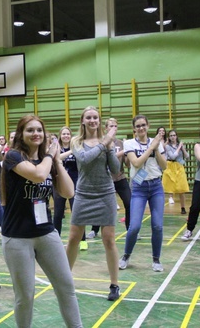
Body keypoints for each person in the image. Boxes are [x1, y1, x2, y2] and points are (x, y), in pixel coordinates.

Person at [1, 115, 83, 328]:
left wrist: (56, 160)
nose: (35, 133)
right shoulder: (13, 157)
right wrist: (49, 155)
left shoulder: (48, 162)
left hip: (46, 233)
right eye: (30, 130)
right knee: (25, 296)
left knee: (66, 287)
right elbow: (37, 175)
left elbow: (68, 191)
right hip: (17, 237)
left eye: (39, 130)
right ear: (21, 134)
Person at [65, 107, 121, 301]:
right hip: (83, 194)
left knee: (109, 239)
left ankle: (114, 285)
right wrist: (105, 142)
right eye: (88, 117)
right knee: (74, 238)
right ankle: (64, 279)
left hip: (105, 193)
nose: (92, 120)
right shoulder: (76, 142)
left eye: (95, 117)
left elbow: (115, 169)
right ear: (83, 121)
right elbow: (84, 160)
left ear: (99, 120)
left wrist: (110, 147)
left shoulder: (106, 142)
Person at [119, 114, 167, 272]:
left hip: (156, 186)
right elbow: (136, 163)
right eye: (138, 126)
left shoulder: (157, 143)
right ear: (134, 128)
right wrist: (151, 148)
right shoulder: (129, 143)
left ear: (148, 125)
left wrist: (156, 148)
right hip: (139, 186)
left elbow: (164, 166)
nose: (141, 128)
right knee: (134, 226)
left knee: (157, 226)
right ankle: (126, 256)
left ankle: (156, 259)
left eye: (143, 125)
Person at [52, 126, 78, 236]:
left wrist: (73, 149)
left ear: (71, 136)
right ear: (60, 136)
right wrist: (71, 151)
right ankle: (56, 238)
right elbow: (57, 158)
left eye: (68, 134)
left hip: (74, 183)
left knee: (76, 213)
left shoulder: (77, 147)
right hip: (59, 183)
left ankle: (82, 240)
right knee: (58, 213)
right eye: (64, 134)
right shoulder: (56, 148)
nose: (66, 136)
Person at [162, 130, 190, 215]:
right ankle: (163, 205)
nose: (172, 137)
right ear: (169, 137)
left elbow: (187, 157)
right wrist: (179, 148)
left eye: (174, 135)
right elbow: (173, 156)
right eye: (171, 136)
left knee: (181, 189)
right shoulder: (167, 146)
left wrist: (183, 149)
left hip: (179, 166)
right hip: (170, 166)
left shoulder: (180, 146)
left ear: (176, 136)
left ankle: (183, 207)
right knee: (167, 187)